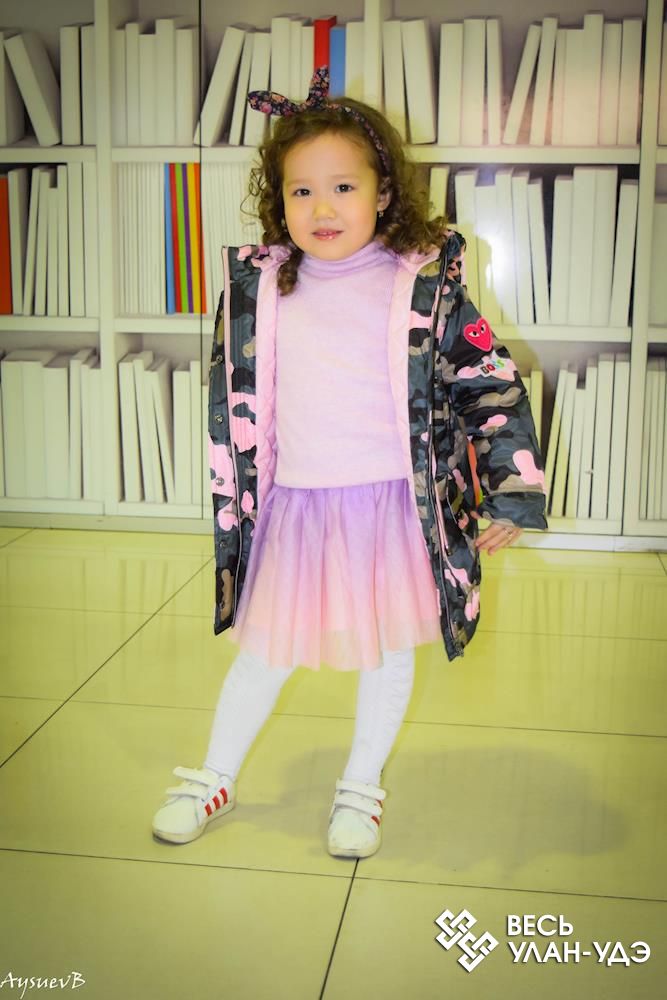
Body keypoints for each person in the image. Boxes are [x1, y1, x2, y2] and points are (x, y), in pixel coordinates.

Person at [152, 67, 548, 858]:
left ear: (383, 194)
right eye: (301, 191)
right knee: (263, 651)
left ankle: (360, 790)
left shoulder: (423, 288)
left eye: (342, 187)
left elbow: (488, 381)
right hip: (297, 504)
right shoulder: (262, 289)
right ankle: (214, 775)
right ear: (278, 201)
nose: (322, 208)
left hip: (392, 505)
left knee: (387, 650)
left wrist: (512, 489)